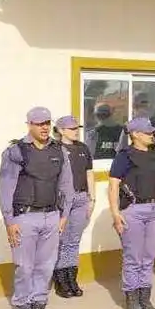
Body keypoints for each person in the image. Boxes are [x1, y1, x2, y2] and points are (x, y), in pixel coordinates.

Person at [0, 107, 74, 309]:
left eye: (47, 123)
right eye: (39, 123)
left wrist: (64, 216)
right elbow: (5, 188)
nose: (44, 127)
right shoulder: (16, 152)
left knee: (45, 267)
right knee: (24, 268)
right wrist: (9, 220)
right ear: (29, 124)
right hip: (25, 218)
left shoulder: (59, 150)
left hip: (51, 217)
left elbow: (66, 185)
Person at [108, 117, 155, 309]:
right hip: (133, 210)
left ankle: (145, 297)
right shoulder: (124, 156)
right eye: (148, 132)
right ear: (135, 134)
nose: (152, 135)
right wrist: (116, 214)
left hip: (154, 209)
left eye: (152, 132)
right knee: (133, 256)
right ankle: (132, 298)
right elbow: (113, 185)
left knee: (148, 256)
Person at [52, 115, 95, 299]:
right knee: (62, 241)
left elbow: (89, 173)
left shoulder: (83, 148)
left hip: (81, 198)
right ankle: (61, 280)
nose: (76, 131)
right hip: (63, 200)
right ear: (61, 131)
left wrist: (92, 199)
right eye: (71, 128)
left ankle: (71, 279)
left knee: (74, 240)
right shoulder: (55, 149)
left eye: (77, 128)